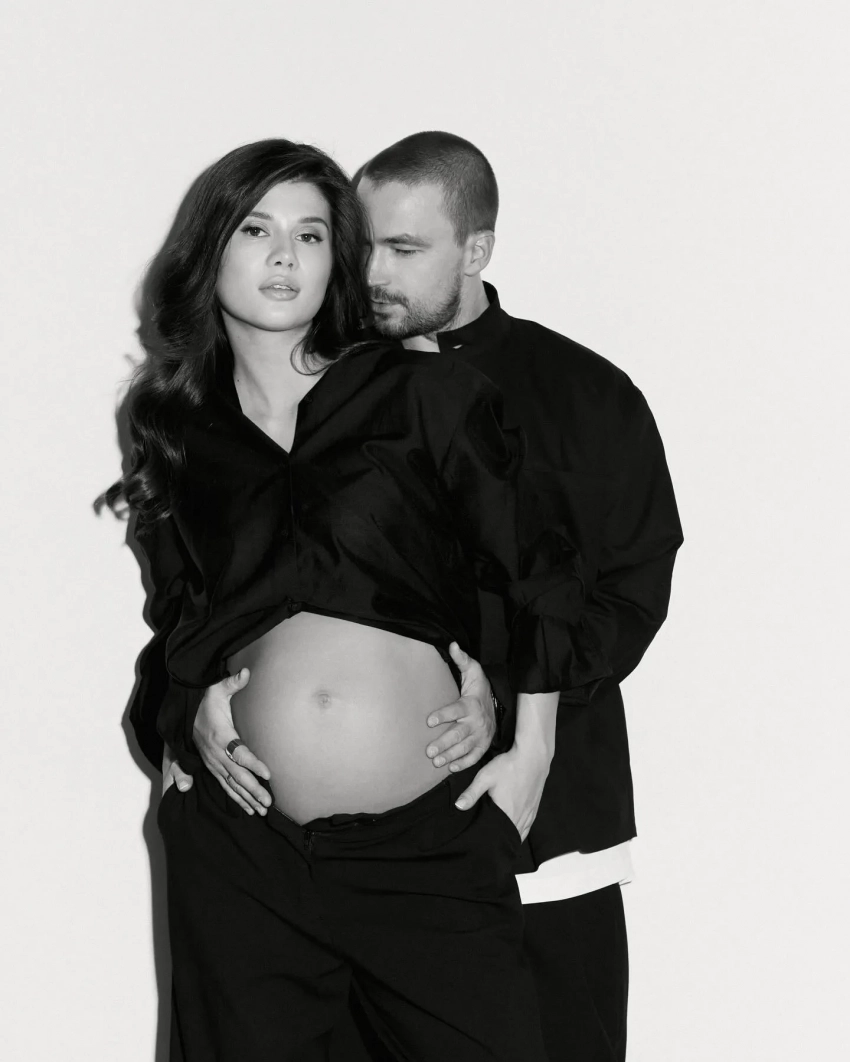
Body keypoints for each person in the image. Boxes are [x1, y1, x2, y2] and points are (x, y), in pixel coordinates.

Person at [185, 132, 683, 1061]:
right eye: (360, 242)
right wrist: (196, 701)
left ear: (476, 249)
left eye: (403, 249)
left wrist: (509, 715)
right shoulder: (325, 394)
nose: (371, 271)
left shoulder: (582, 392)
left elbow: (621, 589)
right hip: (340, 846)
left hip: (540, 813)